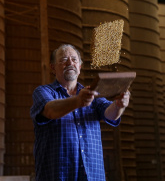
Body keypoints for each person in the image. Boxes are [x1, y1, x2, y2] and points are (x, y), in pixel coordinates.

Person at [30, 44, 130, 181]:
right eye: (64, 59)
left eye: (74, 59)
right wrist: (78, 101)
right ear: (53, 67)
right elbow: (50, 110)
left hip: (93, 176)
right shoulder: (43, 92)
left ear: (80, 67)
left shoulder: (93, 94)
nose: (70, 63)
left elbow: (111, 114)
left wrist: (119, 105)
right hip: (58, 175)